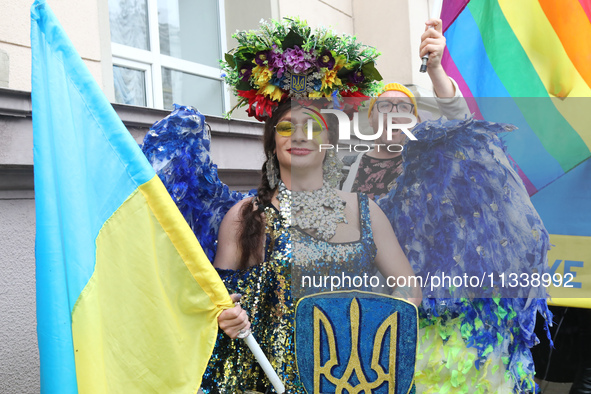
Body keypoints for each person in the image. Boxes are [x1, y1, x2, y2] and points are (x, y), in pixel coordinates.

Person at [341, 18, 471, 199]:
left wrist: (434, 68)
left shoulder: (431, 163)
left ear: (415, 121)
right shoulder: (345, 169)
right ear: (371, 118)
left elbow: (464, 128)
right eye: (384, 105)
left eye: (403, 108)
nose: (394, 113)